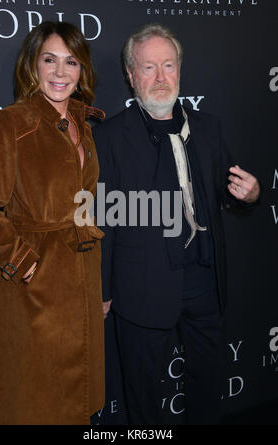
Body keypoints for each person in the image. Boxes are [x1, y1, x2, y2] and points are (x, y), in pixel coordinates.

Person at [93, 23, 260, 425]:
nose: (161, 77)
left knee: (207, 389)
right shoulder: (110, 137)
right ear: (132, 75)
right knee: (142, 400)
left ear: (180, 70)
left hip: (204, 284)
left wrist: (252, 194)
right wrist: (101, 290)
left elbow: (226, 194)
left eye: (168, 65)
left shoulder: (208, 128)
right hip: (140, 288)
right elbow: (101, 219)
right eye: (149, 67)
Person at [0, 21, 106, 425]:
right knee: (33, 404)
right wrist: (25, 262)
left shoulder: (83, 126)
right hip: (33, 294)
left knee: (77, 405)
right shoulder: (10, 124)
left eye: (71, 62)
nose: (60, 72)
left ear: (82, 71)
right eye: (50, 60)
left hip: (81, 283)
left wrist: (94, 282)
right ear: (33, 65)